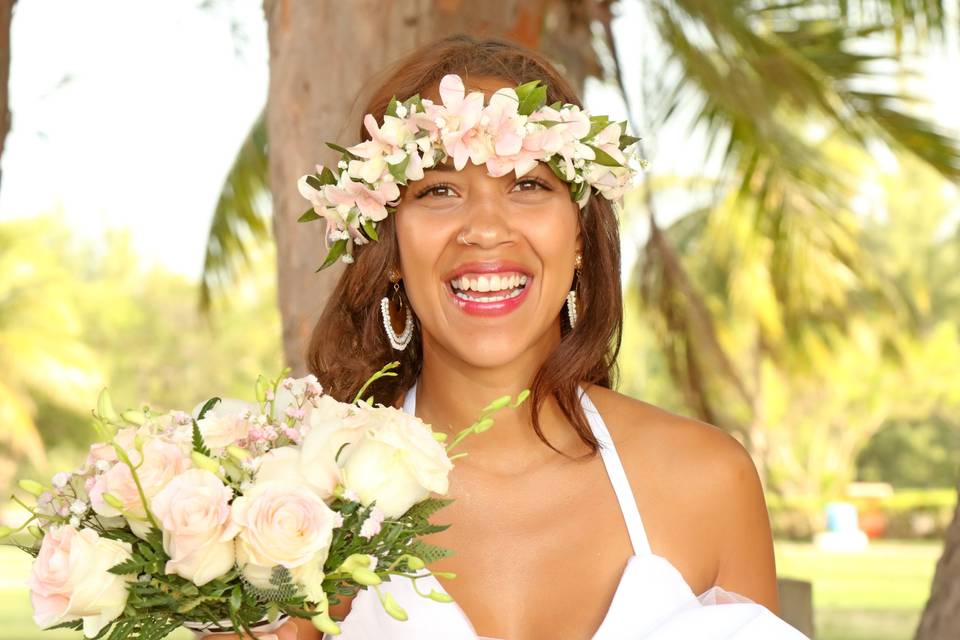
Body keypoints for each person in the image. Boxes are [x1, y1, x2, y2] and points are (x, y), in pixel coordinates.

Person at [216, 34, 807, 640]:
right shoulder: (285, 502)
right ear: (390, 249)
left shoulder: (708, 481)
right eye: (438, 190)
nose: (485, 229)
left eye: (527, 185)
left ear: (579, 235)